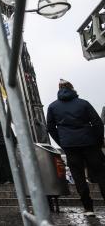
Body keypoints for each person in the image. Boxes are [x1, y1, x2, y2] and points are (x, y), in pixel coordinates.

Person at [47, 79, 105, 217]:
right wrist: (97, 141)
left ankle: (88, 208)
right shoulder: (83, 103)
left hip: (70, 146)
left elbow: (50, 128)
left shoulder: (53, 107)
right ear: (72, 88)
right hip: (89, 143)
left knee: (78, 177)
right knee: (101, 174)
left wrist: (62, 142)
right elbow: (97, 123)